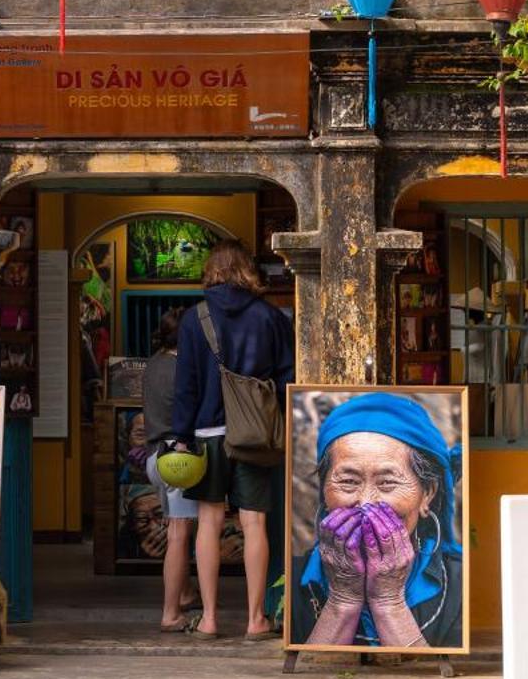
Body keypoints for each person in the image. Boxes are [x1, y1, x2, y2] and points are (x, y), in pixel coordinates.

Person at [171, 240, 293, 639]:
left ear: (212, 270)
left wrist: (181, 436)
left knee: (209, 521)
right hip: (255, 435)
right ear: (248, 271)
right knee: (253, 522)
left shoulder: (194, 319)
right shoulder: (270, 317)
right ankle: (256, 618)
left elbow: (186, 383)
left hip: (206, 433)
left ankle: (208, 617)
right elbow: (287, 379)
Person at [291, 392, 463, 649]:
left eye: (387, 483)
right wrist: (343, 598)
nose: (366, 503)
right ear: (324, 492)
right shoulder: (293, 579)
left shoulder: (462, 585)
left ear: (427, 494)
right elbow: (310, 678)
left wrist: (389, 600)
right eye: (348, 482)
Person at [140, 307, 199, 633]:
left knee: (181, 529)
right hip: (177, 459)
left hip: (154, 459)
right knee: (179, 533)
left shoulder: (152, 364)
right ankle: (170, 613)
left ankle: (186, 592)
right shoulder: (184, 368)